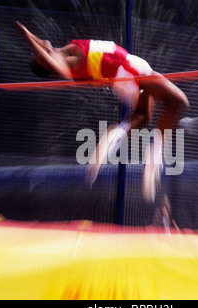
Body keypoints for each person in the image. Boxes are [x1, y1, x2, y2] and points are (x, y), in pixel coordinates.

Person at [16, 21, 189, 203]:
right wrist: (27, 37)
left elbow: (45, 49)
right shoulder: (59, 58)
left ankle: (117, 136)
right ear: (43, 60)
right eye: (38, 51)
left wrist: (32, 37)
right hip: (125, 68)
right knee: (177, 100)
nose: (41, 44)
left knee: (144, 115)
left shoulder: (59, 52)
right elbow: (61, 71)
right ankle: (154, 157)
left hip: (121, 73)